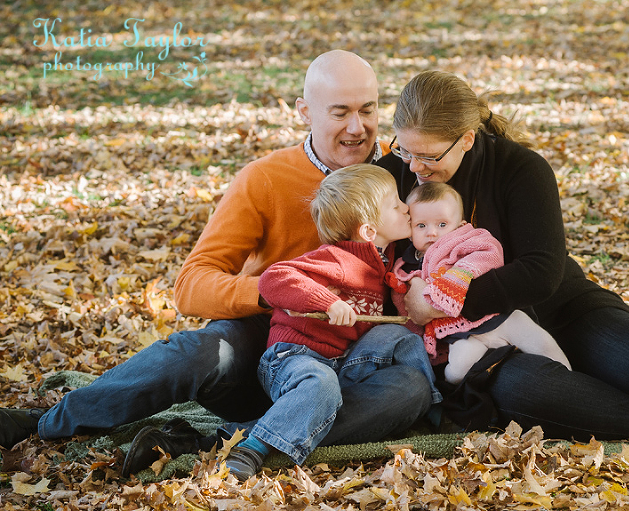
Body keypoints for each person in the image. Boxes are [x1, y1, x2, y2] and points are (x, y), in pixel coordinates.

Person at [0, 51, 434, 477]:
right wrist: (281, 294)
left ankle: (214, 440)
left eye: (368, 110)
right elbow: (191, 285)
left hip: (353, 359)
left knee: (409, 390)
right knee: (198, 351)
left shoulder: (405, 172)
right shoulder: (265, 178)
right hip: (269, 343)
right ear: (304, 111)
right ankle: (47, 419)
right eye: (340, 112)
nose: (357, 128)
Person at [377, 69, 629, 444]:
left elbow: (540, 273)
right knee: (531, 393)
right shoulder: (392, 174)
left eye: (427, 155)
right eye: (404, 149)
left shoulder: (519, 168)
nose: (415, 166)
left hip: (564, 311)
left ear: (465, 138)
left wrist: (440, 300)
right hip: (477, 340)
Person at [224, 164, 441, 481]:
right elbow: (273, 279)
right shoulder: (338, 259)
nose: (406, 207)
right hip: (295, 359)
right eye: (396, 205)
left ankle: (434, 407)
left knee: (400, 336)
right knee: (321, 385)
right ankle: (251, 445)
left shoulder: (383, 257)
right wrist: (328, 301)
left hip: (341, 362)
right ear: (369, 232)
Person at [387, 181, 571, 384]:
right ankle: (482, 374)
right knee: (455, 373)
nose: (432, 232)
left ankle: (569, 378)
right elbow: (407, 305)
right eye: (421, 225)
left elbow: (490, 254)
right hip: (459, 334)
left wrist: (459, 274)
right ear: (410, 229)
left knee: (540, 342)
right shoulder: (407, 266)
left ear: (460, 225)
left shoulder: (466, 242)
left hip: (499, 319)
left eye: (442, 224)